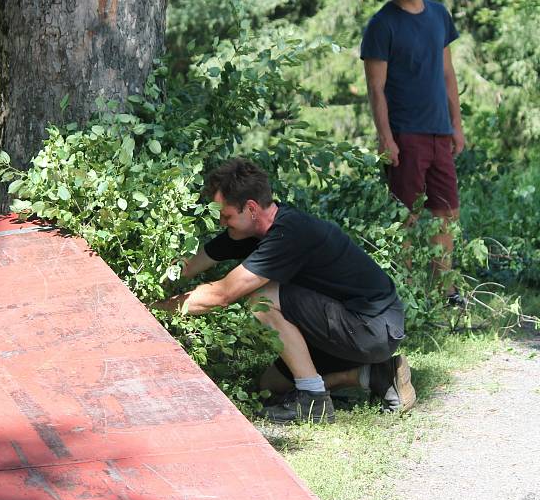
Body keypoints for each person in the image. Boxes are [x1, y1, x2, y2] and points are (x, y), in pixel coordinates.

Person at [153, 158, 415, 424]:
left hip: (372, 327)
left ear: (251, 208)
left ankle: (314, 400)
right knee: (271, 386)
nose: (221, 222)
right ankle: (375, 375)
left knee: (261, 299)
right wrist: (143, 286)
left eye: (227, 215)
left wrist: (152, 312)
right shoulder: (246, 231)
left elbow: (222, 294)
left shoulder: (289, 233)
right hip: (355, 325)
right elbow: (186, 267)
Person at [360, 0, 465, 305]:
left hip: (439, 131)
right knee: (404, 216)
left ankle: (444, 292)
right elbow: (375, 88)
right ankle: (403, 293)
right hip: (405, 134)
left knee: (447, 212)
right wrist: (385, 137)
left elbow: (447, 73)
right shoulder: (382, 24)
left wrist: (457, 123)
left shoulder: (439, 15)